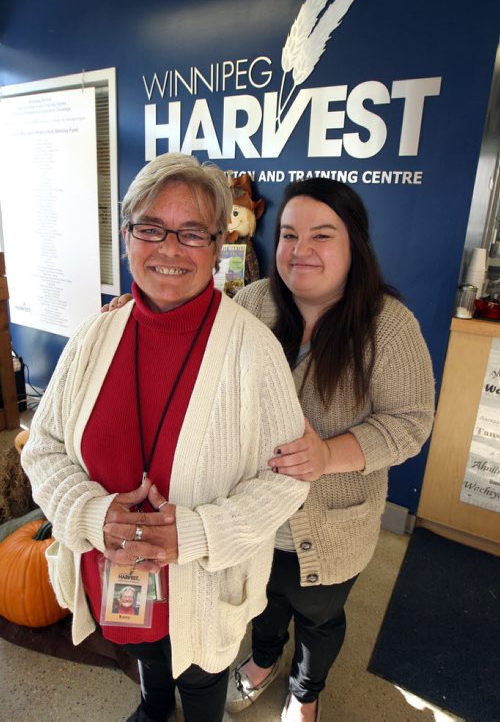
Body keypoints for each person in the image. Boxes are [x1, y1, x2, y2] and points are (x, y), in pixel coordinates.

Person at [103, 177, 435, 722]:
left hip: (329, 527)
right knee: (260, 603)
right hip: (250, 520)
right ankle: (262, 661)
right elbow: (185, 326)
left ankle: (306, 689)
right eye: (287, 235)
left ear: (355, 244)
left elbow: (410, 424)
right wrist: (139, 311)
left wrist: (330, 455)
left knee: (319, 616)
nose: (300, 251)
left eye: (322, 236)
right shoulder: (251, 306)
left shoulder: (388, 326)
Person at [21, 153, 309, 722]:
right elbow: (44, 444)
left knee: (201, 677)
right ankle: (155, 707)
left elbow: (286, 480)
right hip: (113, 572)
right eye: (151, 227)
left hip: (202, 586)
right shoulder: (95, 334)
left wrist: (197, 531)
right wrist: (87, 513)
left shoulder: (255, 350)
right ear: (128, 234)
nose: (169, 248)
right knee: (147, 657)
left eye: (191, 232)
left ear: (218, 242)